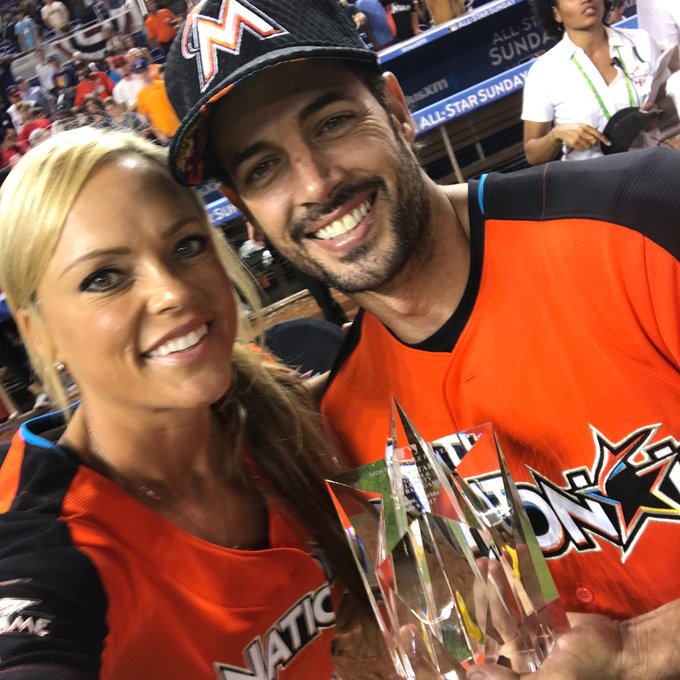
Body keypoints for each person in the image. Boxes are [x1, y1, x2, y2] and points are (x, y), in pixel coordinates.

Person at [164, 0, 680, 677]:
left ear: (395, 105)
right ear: (247, 214)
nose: (317, 182)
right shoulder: (349, 423)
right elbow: (468, 637)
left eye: (333, 121)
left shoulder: (646, 217)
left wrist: (637, 651)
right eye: (264, 169)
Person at [0, 126, 374, 678]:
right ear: (38, 332)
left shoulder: (274, 406)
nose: (172, 291)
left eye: (186, 246)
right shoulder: (46, 552)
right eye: (104, 278)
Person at [521, 0, 662, 163]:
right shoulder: (544, 71)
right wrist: (556, 135)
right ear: (556, 14)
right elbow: (533, 154)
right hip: (597, 182)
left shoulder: (641, 42)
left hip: (656, 169)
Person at [134, 60, 180, 143]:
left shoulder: (163, 84)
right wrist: (159, 134)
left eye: (144, 70)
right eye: (139, 72)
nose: (143, 74)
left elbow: (177, 103)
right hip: (165, 134)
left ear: (148, 70)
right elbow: (148, 119)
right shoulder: (140, 96)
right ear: (136, 75)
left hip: (179, 125)